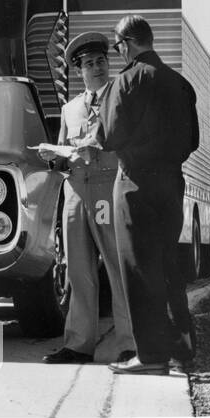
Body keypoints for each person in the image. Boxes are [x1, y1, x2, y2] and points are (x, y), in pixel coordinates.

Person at [93, 15, 200, 375]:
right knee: (169, 264)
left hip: (135, 185)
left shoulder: (123, 83)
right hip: (171, 183)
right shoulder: (181, 85)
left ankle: (152, 356)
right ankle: (183, 346)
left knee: (139, 269)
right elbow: (192, 142)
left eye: (117, 46)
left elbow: (108, 137)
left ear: (126, 43)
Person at [39, 32, 136, 365]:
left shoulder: (122, 97)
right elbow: (64, 153)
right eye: (89, 64)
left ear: (108, 64)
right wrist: (53, 157)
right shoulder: (69, 109)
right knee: (78, 270)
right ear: (79, 71)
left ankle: (130, 343)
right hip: (76, 193)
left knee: (117, 266)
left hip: (108, 192)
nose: (96, 68)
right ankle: (79, 344)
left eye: (100, 61)